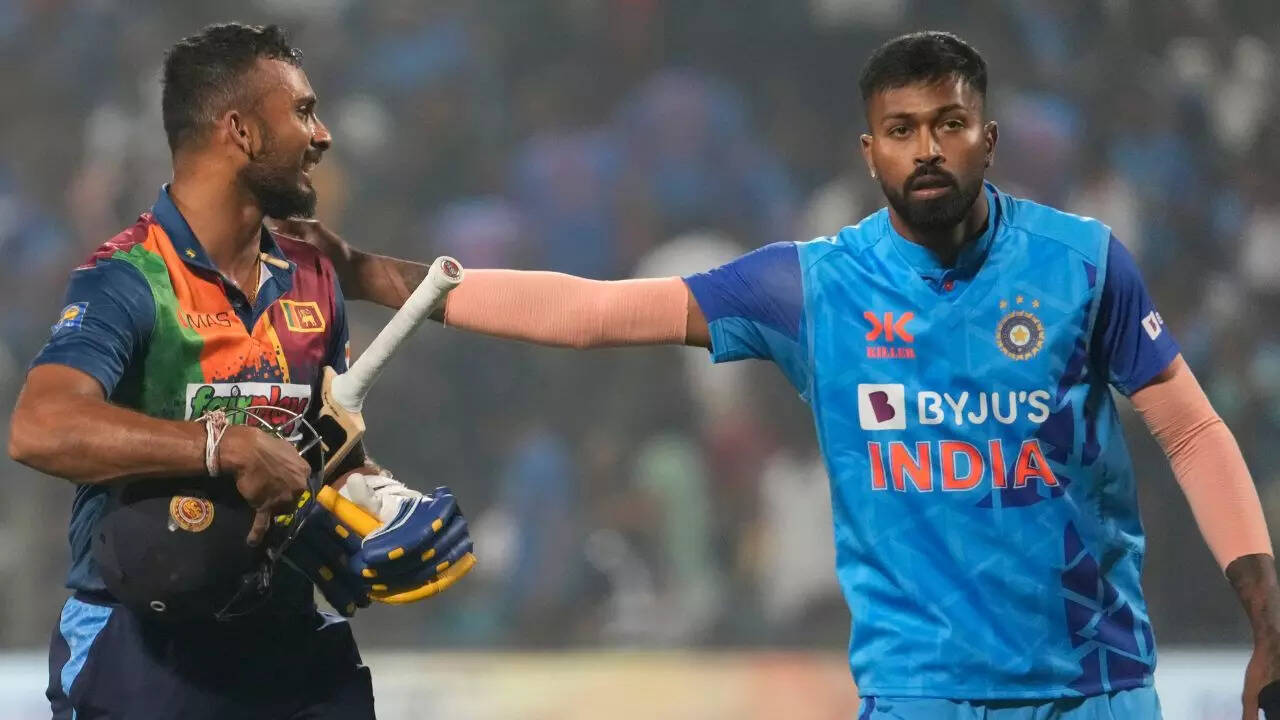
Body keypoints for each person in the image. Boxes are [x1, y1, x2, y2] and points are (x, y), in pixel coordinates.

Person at [286, 31, 1280, 719]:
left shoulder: (1083, 263)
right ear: (869, 151)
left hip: (1096, 689)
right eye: (901, 130)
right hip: (919, 695)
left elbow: (1191, 431)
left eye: (948, 124)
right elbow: (593, 312)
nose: (926, 149)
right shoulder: (810, 287)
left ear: (988, 137)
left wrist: (1267, 617)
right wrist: (377, 276)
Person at [7, 23, 473, 720]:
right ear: (242, 131)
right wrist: (222, 446)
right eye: (304, 111)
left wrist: (384, 507)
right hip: (143, 650)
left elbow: (323, 452)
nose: (323, 136)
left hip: (291, 647)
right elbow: (39, 427)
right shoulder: (130, 277)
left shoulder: (313, 277)